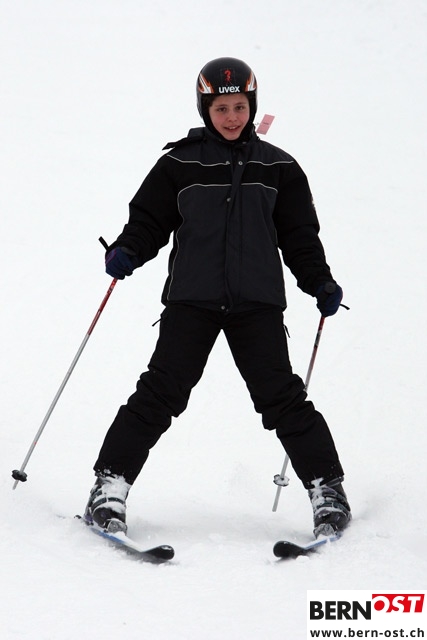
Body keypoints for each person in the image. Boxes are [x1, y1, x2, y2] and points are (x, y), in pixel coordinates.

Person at [84, 57, 351, 540]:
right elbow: (149, 221)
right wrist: (128, 250)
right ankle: (109, 486)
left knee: (282, 398)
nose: (232, 117)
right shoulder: (179, 163)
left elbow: (299, 238)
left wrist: (320, 282)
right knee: (160, 393)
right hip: (192, 300)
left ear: (253, 106)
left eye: (240, 107)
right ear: (205, 108)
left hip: (257, 303)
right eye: (222, 108)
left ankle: (328, 491)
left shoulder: (279, 167)